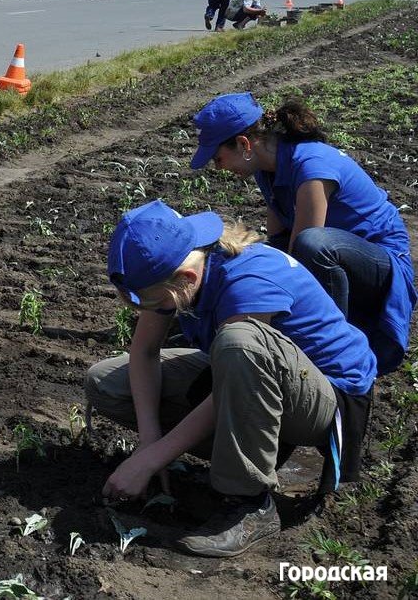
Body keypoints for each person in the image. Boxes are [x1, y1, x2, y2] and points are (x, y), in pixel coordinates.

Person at [88, 200, 377, 558]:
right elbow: (144, 353)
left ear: (186, 279)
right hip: (260, 377)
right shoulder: (186, 266)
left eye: (150, 302)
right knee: (106, 382)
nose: (147, 311)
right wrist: (150, 444)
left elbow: (239, 364)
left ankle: (249, 503)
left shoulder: (247, 281)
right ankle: (251, 450)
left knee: (239, 342)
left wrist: (150, 461)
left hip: (328, 399)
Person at [191, 93, 415, 374]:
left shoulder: (312, 166)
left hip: (382, 264)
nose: (219, 167)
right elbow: (278, 244)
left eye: (218, 158)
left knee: (311, 244)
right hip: (338, 262)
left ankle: (333, 347)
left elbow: (303, 249)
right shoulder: (267, 171)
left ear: (243, 144)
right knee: (271, 250)